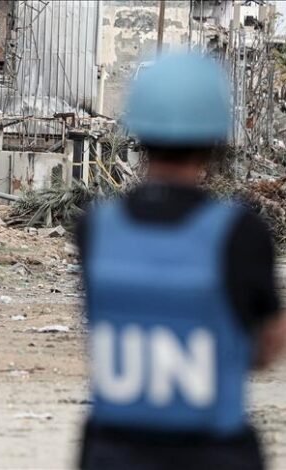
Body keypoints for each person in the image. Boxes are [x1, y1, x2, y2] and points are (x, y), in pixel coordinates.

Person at [77, 54, 286, 470]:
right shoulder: (240, 231)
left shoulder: (95, 228)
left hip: (111, 451)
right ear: (214, 138)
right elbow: (266, 347)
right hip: (212, 452)